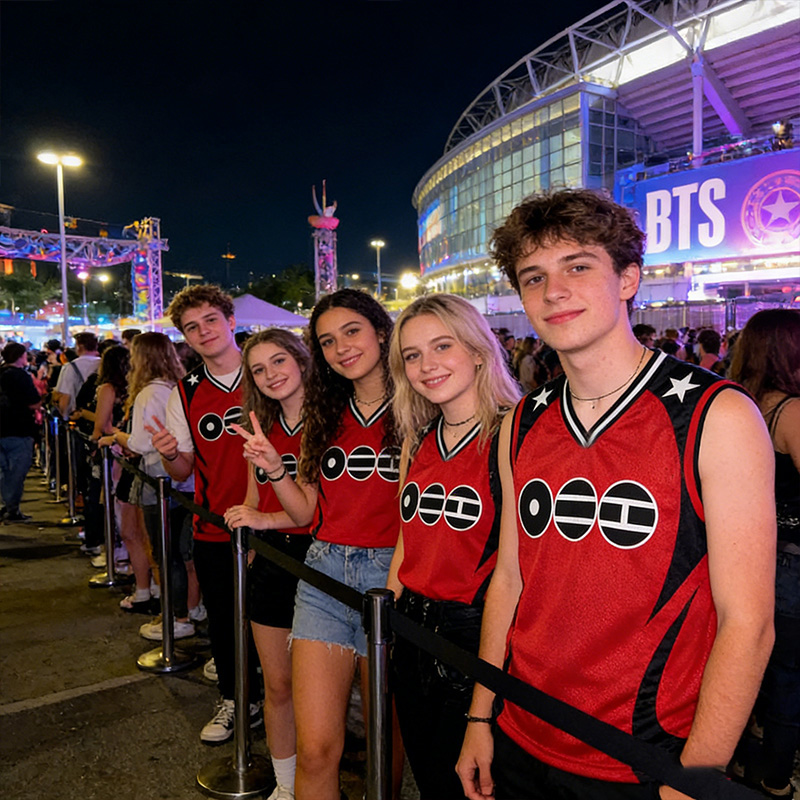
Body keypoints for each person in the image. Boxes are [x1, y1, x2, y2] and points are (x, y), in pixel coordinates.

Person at [455, 188, 776, 800]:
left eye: (577, 266)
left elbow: (749, 622)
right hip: (520, 729)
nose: (553, 291)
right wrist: (480, 715)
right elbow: (510, 580)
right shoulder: (520, 423)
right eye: (533, 277)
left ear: (628, 278)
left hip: (646, 755)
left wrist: (695, 778)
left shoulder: (716, 415)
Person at [237, 288, 402, 800]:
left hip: (392, 574)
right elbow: (307, 512)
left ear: (381, 331)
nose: (341, 348)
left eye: (351, 331)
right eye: (328, 340)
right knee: (314, 751)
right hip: (323, 570)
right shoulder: (326, 410)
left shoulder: (416, 403)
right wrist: (273, 468)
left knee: (383, 743)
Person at [386, 294, 520, 799]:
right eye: (413, 355)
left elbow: (517, 569)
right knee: (431, 778)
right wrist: (388, 611)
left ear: (478, 351)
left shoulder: (513, 433)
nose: (427, 365)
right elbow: (408, 540)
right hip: (411, 630)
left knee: (471, 785)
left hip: (477, 634)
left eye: (442, 346)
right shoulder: (418, 438)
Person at [146, 285, 261, 744]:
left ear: (231, 321)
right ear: (184, 338)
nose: (204, 331)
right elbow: (183, 471)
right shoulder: (185, 392)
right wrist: (169, 453)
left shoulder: (270, 373)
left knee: (283, 625)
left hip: (283, 526)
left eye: (211, 319)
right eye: (192, 327)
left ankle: (287, 705)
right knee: (225, 621)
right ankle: (237, 699)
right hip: (216, 526)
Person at [223, 329, 314, 800]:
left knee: (321, 692)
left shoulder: (330, 421)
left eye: (279, 361)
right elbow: (253, 497)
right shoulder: (259, 425)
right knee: (277, 684)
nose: (271, 374)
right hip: (273, 561)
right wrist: (252, 533)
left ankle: (320, 776)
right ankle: (285, 784)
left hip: (321, 561)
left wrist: (263, 519)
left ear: (301, 359)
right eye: (258, 369)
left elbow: (319, 511)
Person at [729, 309, 800, 798]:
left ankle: (737, 755)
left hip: (742, 551)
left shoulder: (737, 401)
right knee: (787, 676)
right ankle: (775, 777)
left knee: (745, 659)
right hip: (787, 561)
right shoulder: (791, 411)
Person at [102, 333, 201, 634]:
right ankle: (190, 609)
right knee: (184, 554)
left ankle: (177, 617)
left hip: (160, 479)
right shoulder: (178, 387)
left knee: (165, 553)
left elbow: (141, 443)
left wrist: (116, 436)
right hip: (187, 480)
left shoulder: (149, 393)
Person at [0, 342, 41, 522]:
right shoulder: (22, 376)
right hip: (19, 428)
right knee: (17, 472)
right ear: (20, 357)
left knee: (3, 471)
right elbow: (34, 402)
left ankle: (6, 504)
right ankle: (12, 508)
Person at [53, 332, 100, 419]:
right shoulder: (103, 364)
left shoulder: (70, 367)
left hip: (78, 416)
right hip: (99, 414)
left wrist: (64, 417)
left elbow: (66, 395)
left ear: (79, 347)